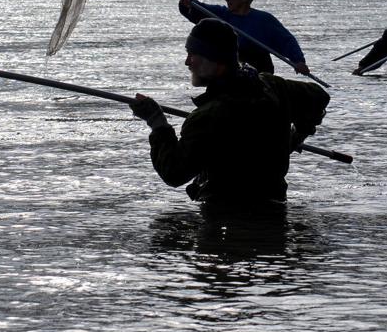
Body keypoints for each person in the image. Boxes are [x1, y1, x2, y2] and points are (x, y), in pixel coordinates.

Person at [128, 19, 330, 208]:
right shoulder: (272, 86)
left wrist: (157, 122)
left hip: (224, 217)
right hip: (275, 208)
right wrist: (298, 133)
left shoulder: (207, 116)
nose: (187, 62)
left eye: (192, 54)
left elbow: (173, 173)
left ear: (216, 60)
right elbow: (319, 97)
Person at [178, 0, 309, 76]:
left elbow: (286, 41)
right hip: (232, 67)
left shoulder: (264, 20)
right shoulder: (221, 14)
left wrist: (299, 61)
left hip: (260, 69)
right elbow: (199, 10)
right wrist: (188, 3)